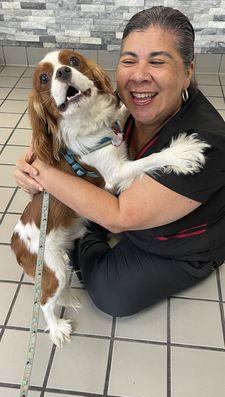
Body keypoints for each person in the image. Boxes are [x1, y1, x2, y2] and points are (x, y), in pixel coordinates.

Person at [14, 6, 225, 317]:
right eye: (129, 60)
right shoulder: (120, 101)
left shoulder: (208, 143)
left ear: (188, 72)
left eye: (157, 61)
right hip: (127, 205)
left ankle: (83, 242)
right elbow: (60, 127)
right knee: (86, 218)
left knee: (112, 294)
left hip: (179, 241)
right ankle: (84, 235)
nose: (139, 76)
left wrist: (46, 174)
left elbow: (119, 215)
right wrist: (32, 162)